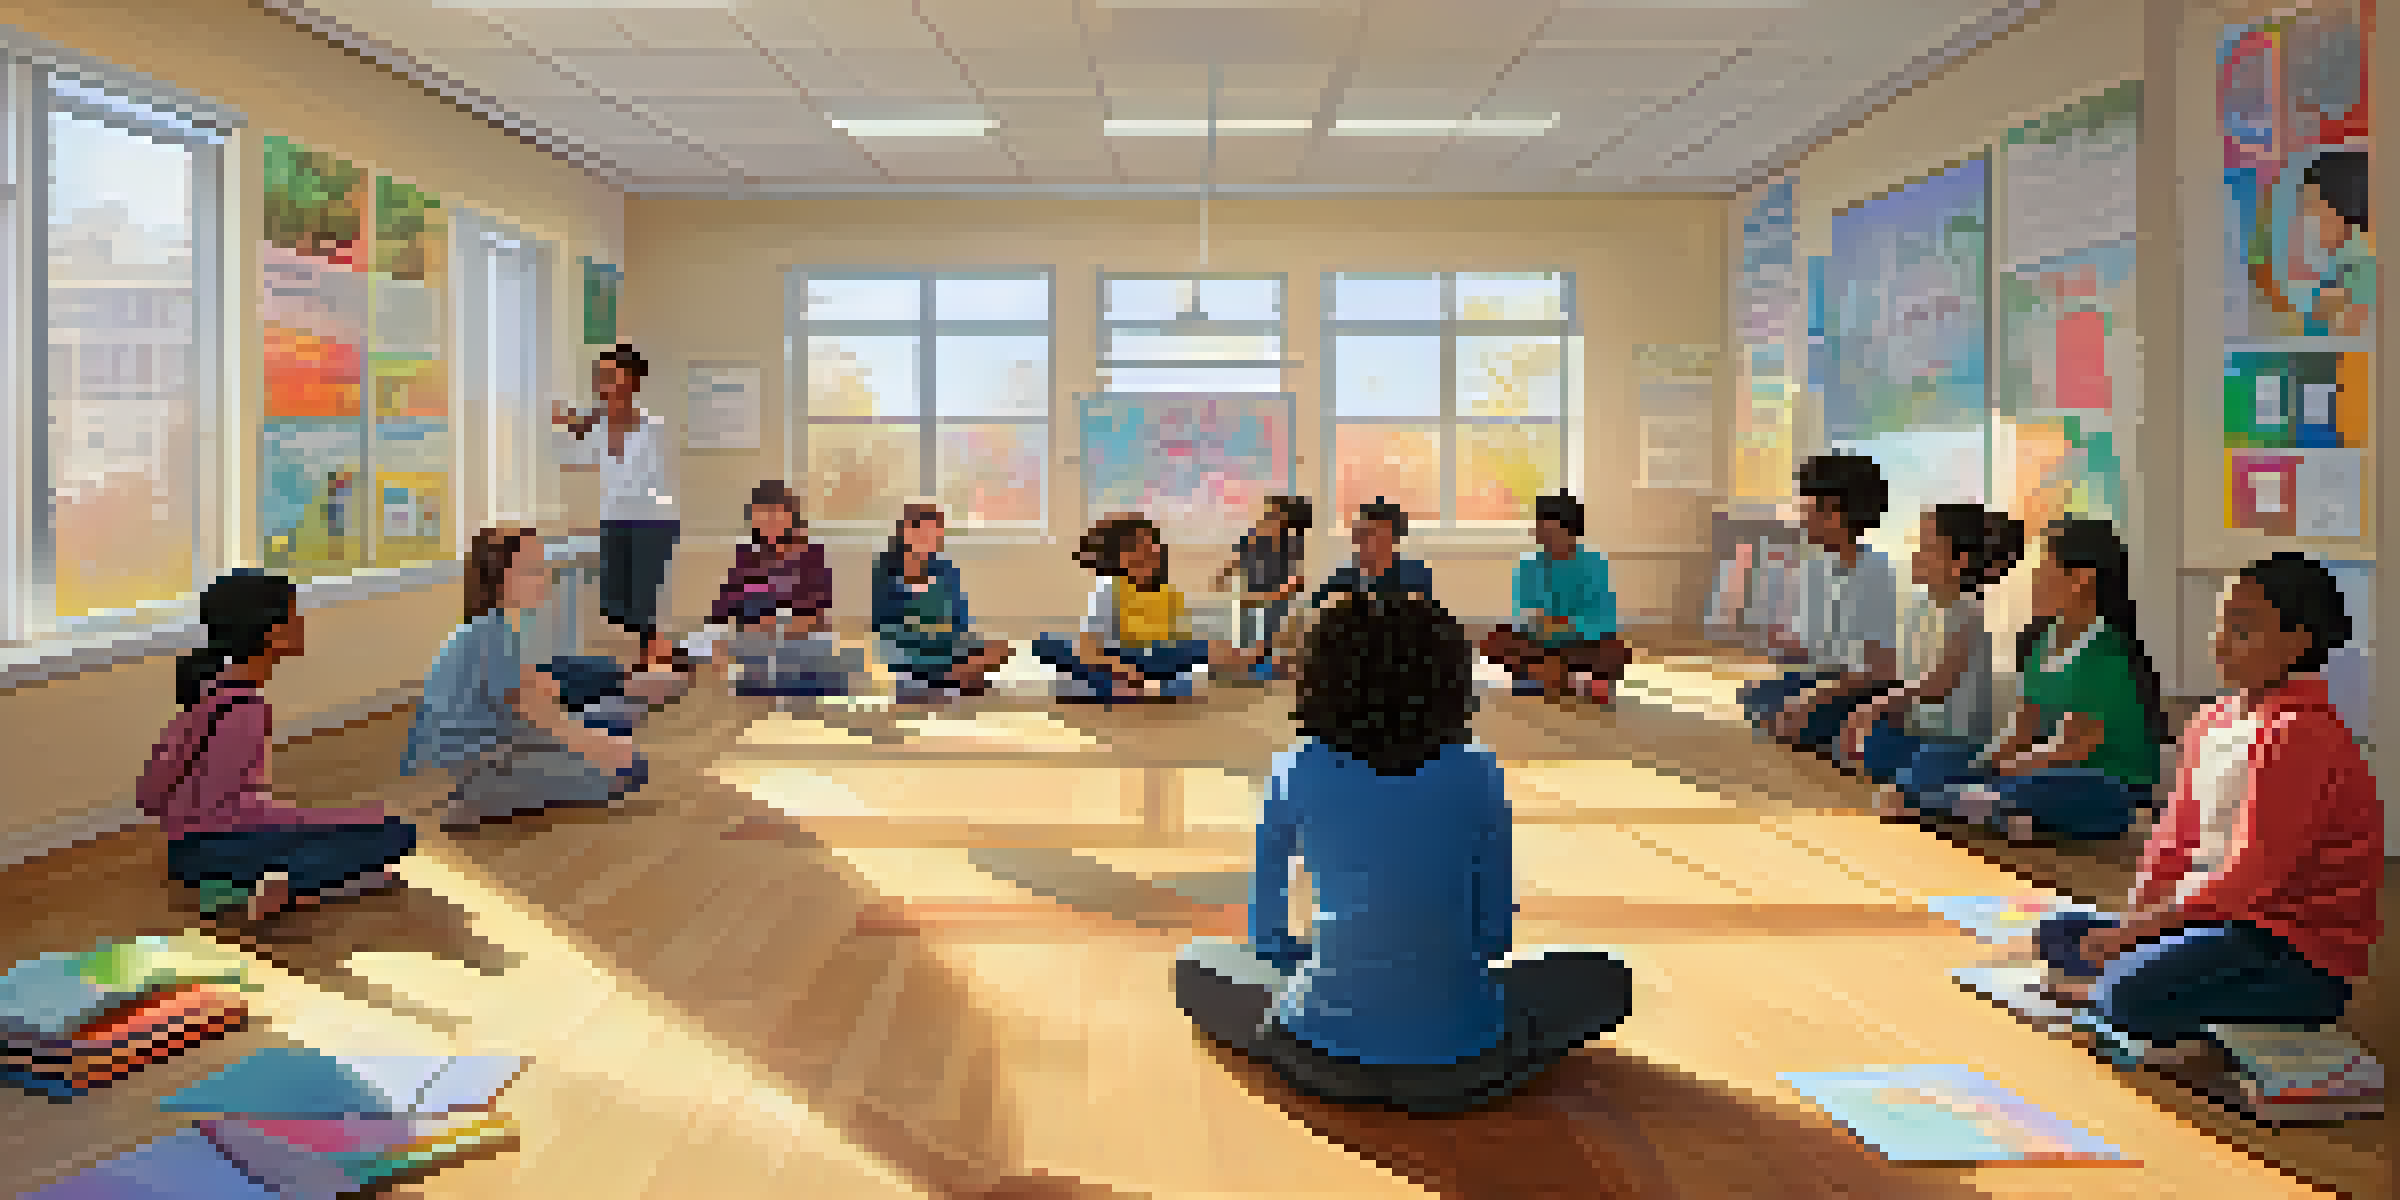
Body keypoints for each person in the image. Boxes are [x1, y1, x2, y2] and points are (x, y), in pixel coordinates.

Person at [1173, 591, 1633, 1115]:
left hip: (1311, 1052)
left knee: (1197, 962)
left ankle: (1331, 1028)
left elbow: (1268, 939)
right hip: (1462, 1064)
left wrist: (1327, 966)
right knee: (1607, 978)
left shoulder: (1294, 767)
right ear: (1450, 681)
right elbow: (1492, 938)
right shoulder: (1476, 770)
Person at [2031, 553, 2380, 1056]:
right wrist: (2135, 922)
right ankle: (2137, 991)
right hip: (2208, 920)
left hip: (2285, 947)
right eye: (2220, 624)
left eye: (2242, 629)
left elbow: (2251, 880)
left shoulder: (2300, 735)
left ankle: (2148, 1003)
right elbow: (2173, 841)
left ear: (2298, 641)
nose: (2220, 642)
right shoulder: (2211, 722)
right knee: (2060, 935)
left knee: (2129, 996)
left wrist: (2138, 934)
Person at [136, 571, 416, 922]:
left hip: (186, 852)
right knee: (395, 833)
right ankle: (288, 885)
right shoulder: (246, 711)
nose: (301, 622)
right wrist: (333, 818)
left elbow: (149, 794)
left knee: (360, 834)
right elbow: (241, 814)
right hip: (222, 850)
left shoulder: (208, 693)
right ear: (269, 632)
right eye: (293, 615)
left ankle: (257, 887)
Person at [1892, 518, 2168, 844]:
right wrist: (1983, 763)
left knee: (2058, 788)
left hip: (2103, 783)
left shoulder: (2108, 656)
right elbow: (2024, 725)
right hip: (2043, 766)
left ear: (2080, 579)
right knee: (1939, 757)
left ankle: (1952, 801)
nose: (2034, 582)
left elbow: (2069, 750)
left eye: (2043, 571)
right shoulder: (2041, 644)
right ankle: (1984, 805)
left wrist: (1997, 772)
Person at [401, 527, 648, 831]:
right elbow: (546, 720)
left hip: (501, 740)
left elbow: (535, 695)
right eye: (532, 572)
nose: (545, 579)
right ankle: (483, 796)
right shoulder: (491, 636)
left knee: (614, 723)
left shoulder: (494, 628)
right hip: (484, 757)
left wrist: (593, 734)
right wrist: (606, 748)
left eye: (543, 568)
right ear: (498, 578)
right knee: (629, 769)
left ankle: (500, 786)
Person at [1838, 504, 2024, 799]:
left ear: (1958, 561)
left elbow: (1940, 684)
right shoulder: (1918, 609)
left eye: (1927, 548)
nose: (1916, 556)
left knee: (1914, 782)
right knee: (1867, 751)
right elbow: (1908, 679)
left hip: (1958, 740)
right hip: (1919, 733)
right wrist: (1883, 718)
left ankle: (1978, 789)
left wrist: (1875, 706)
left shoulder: (1968, 613)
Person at [1738, 453, 1900, 750]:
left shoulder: (1874, 573)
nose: (1802, 520)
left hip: (1857, 689)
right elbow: (1813, 649)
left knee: (1790, 715)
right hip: (1823, 679)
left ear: (1838, 513)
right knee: (1756, 696)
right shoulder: (1816, 567)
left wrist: (1812, 698)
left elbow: (1879, 672)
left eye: (1808, 510)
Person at [553, 344, 683, 671]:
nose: (601, 383)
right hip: (615, 519)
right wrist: (573, 427)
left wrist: (583, 425)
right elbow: (575, 460)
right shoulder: (598, 426)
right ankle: (659, 654)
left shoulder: (653, 428)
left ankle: (652, 660)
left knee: (643, 599)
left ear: (631, 383)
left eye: (610, 376)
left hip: (652, 520)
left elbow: (643, 480)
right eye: (599, 376)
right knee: (614, 603)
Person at [1034, 514, 1236, 702]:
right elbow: (1090, 650)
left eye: (1151, 546)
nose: (1146, 553)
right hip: (1115, 657)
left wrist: (1177, 672)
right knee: (1050, 643)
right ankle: (1110, 684)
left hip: (1152, 657)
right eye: (1135, 547)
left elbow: (1178, 648)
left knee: (1198, 649)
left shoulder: (1168, 594)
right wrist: (1122, 669)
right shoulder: (1110, 589)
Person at [1479, 491, 1630, 703]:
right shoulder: (1529, 565)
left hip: (1580, 639)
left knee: (1615, 651)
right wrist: (1543, 626)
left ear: (1569, 529)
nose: (1540, 533)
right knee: (1495, 641)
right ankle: (1551, 674)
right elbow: (1524, 614)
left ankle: (1549, 674)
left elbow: (1602, 617)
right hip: (1541, 640)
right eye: (1539, 526)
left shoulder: (1593, 563)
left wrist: (1567, 624)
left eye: (1547, 527)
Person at [709, 480, 848, 697]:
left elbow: (813, 616)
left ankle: (766, 686)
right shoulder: (746, 557)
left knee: (830, 667)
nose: (768, 521)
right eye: (761, 515)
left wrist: (770, 625)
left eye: (776, 513)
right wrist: (720, 641)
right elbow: (722, 608)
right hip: (757, 649)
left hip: (800, 645)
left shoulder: (812, 555)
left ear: (791, 517)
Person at [872, 499, 1015, 700]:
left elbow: (960, 623)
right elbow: (888, 629)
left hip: (947, 643)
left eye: (935, 536)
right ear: (906, 532)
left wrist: (968, 647)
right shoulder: (885, 572)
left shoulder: (945, 569)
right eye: (924, 534)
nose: (930, 542)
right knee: (908, 655)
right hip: (910, 647)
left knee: (1000, 649)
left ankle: (958, 675)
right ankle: (953, 676)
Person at [1213, 496, 1311, 682]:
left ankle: (1263, 663)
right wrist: (1225, 574)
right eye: (1268, 513)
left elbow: (1297, 581)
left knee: (1265, 623)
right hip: (1254, 595)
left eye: (1273, 514)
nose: (1267, 517)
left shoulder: (1291, 544)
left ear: (1285, 519)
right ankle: (1252, 663)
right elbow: (1240, 558)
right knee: (1246, 625)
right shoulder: (1256, 537)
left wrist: (1269, 597)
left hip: (1274, 598)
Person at [1306, 498, 1435, 610]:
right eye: (1364, 533)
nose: (1367, 542)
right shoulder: (1342, 578)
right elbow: (1314, 608)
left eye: (1378, 537)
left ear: (1394, 540)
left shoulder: (1415, 574)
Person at [2299, 151, 2374, 339]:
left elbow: (2353, 328)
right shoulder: (2343, 256)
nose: (2308, 221)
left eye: (2314, 209)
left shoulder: (2365, 257)